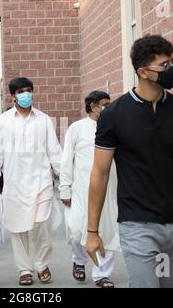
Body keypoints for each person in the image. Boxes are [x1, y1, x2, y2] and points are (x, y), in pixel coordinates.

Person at [85, 35, 173, 288]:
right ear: (143, 72)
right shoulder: (114, 115)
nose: (171, 70)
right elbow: (100, 173)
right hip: (136, 224)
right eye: (164, 66)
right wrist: (92, 232)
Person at [0, 77, 62, 286]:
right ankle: (24, 269)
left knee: (41, 225)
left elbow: (54, 151)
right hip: (14, 183)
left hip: (41, 182)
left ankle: (42, 264)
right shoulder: (3, 121)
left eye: (29, 90)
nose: (26, 94)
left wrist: (65, 180)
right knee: (18, 227)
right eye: (21, 91)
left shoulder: (43, 119)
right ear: (13, 96)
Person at [59, 91, 120, 288]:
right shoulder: (76, 129)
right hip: (81, 190)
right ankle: (79, 261)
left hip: (109, 189)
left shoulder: (115, 128)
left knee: (108, 230)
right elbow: (66, 160)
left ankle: (102, 274)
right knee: (77, 229)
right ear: (94, 106)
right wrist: (65, 189)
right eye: (106, 104)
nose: (109, 107)